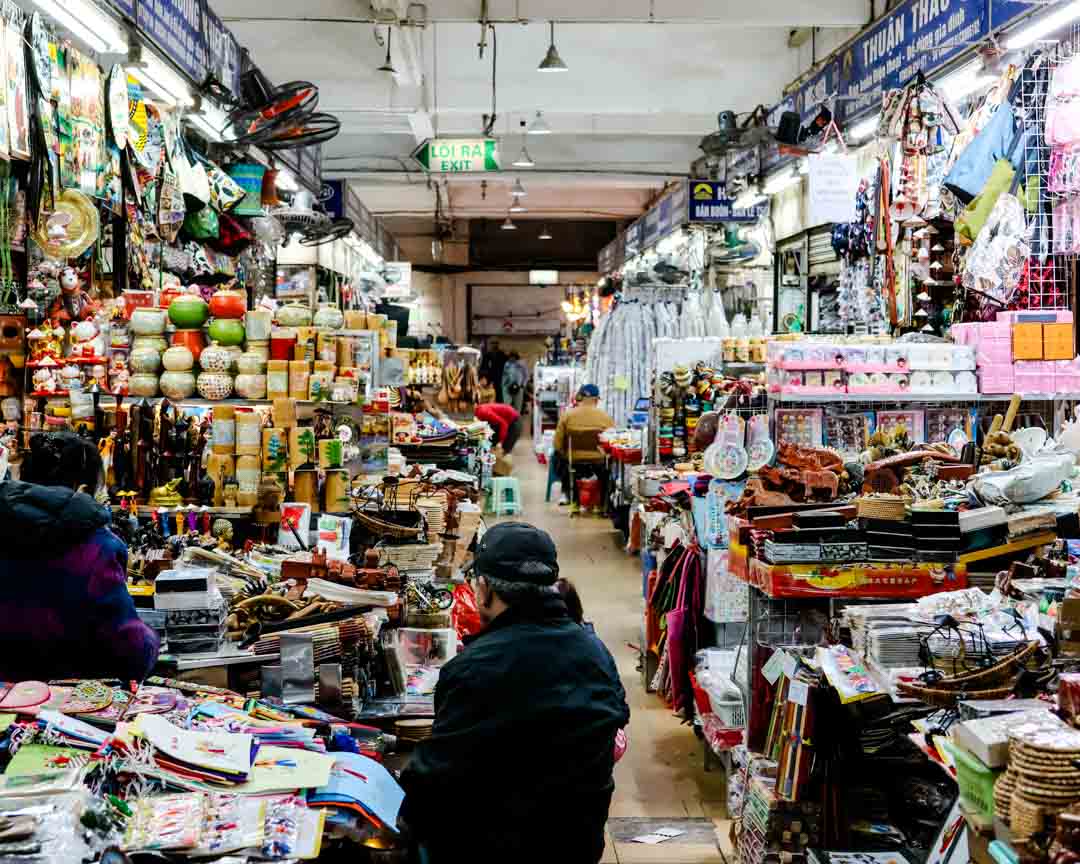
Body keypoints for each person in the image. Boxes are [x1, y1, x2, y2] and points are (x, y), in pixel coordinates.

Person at [400, 522, 630, 863]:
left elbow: (434, 778)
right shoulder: (596, 653)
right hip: (576, 843)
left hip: (492, 847)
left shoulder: (472, 669)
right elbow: (614, 726)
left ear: (485, 589)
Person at [0, 432, 160, 682]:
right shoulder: (97, 547)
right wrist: (150, 640)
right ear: (82, 489)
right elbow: (130, 652)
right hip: (67, 706)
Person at [553, 384, 616, 506]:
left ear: (580, 397)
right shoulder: (605, 417)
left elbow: (557, 444)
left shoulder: (567, 415)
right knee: (609, 466)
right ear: (596, 399)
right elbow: (612, 442)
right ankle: (603, 502)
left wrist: (565, 453)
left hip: (573, 459)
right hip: (599, 461)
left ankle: (571, 497)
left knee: (557, 458)